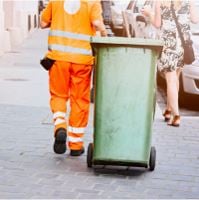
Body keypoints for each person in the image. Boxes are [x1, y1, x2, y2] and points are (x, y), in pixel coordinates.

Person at [40, 0, 107, 156]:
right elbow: (97, 23)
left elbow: (43, 23)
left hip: (58, 58)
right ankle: (76, 145)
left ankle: (60, 125)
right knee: (79, 100)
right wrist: (104, 34)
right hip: (82, 61)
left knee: (58, 95)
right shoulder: (92, 2)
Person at [142, 0, 199, 127]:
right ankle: (168, 110)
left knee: (171, 80)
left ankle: (176, 115)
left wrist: (149, 13)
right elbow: (195, 20)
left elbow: (157, 24)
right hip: (184, 44)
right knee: (175, 78)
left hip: (169, 45)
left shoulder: (160, 1)